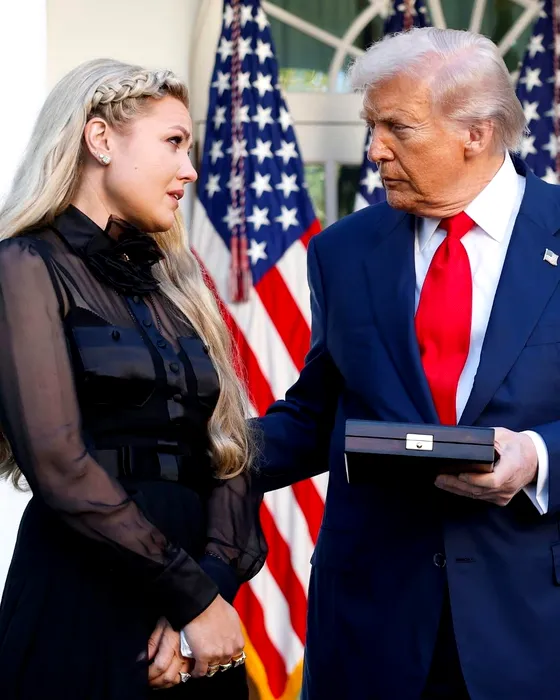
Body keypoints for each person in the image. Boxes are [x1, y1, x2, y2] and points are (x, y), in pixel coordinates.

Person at [256, 27, 560, 700]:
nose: (375, 149)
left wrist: (538, 457)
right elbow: (318, 415)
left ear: (476, 133)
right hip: (371, 628)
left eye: (398, 127)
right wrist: (198, 452)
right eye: (372, 127)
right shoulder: (342, 250)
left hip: (533, 630)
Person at [0, 58, 266, 699]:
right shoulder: (23, 265)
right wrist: (192, 596)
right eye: (174, 142)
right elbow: (59, 465)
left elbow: (230, 450)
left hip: (195, 606)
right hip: (80, 593)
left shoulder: (177, 285)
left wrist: (208, 593)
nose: (190, 170)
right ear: (100, 139)